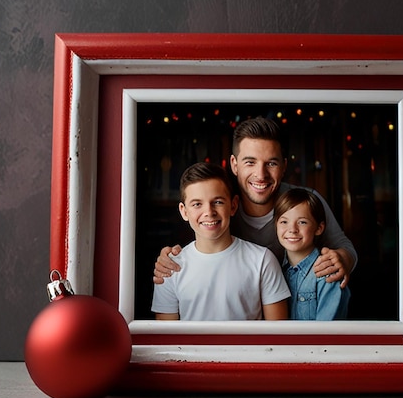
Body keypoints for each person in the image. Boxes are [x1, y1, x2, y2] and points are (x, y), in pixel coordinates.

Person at [153, 116, 357, 289]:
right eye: (250, 162)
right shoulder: (217, 207)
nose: (261, 175)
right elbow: (187, 250)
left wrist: (343, 259)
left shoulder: (305, 201)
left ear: (284, 166)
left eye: (271, 163)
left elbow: (344, 246)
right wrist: (170, 259)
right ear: (234, 164)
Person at [151, 162, 290, 321]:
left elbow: (277, 336)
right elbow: (167, 339)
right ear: (184, 211)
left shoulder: (262, 260)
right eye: (197, 204)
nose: (209, 212)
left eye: (217, 202)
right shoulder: (170, 268)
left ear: (233, 205)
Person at [275, 188, 350, 320]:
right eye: (284, 222)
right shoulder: (275, 271)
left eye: (302, 222)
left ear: (319, 228)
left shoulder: (327, 274)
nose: (292, 229)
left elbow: (327, 334)